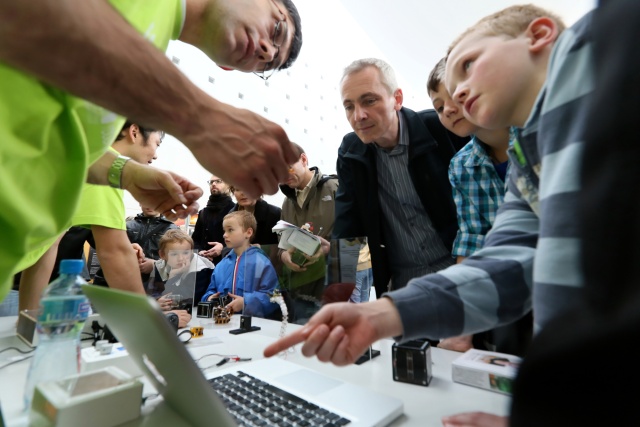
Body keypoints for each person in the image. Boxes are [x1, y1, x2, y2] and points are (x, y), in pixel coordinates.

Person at [264, 9, 593, 419]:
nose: (460, 99)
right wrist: (367, 308)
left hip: (453, 264)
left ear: (396, 99)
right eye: (348, 105)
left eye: (468, 67)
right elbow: (511, 258)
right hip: (424, 280)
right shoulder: (530, 158)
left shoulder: (603, 60)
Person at [0, 0, 303, 302]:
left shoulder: (150, 47)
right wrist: (199, 116)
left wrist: (126, 173)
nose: (266, 51)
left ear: (226, 66)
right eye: (276, 29)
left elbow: (68, 143)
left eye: (268, 65)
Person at [333, 58, 468, 297]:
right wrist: (338, 297)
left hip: (462, 273)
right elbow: (347, 228)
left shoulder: (441, 127)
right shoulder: (350, 152)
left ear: (397, 99)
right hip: (405, 288)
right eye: (349, 106)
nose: (359, 115)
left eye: (369, 100)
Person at [427, 58, 532, 356]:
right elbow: (472, 241)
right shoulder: (461, 166)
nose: (447, 109)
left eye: (454, 96)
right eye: (438, 106)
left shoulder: (534, 136)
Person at [279, 143, 337, 323]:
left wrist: (331, 249)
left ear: (304, 160)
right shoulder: (287, 203)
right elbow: (283, 244)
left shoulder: (335, 187)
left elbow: (360, 241)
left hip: (336, 286)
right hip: (302, 288)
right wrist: (284, 256)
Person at [201, 211, 279, 318]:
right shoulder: (221, 265)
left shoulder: (261, 262)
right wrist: (209, 298)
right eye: (224, 230)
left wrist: (246, 302)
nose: (224, 235)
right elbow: (211, 290)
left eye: (230, 230)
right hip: (223, 322)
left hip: (252, 325)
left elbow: (273, 295)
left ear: (248, 233)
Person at [149, 229, 214, 310]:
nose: (181, 258)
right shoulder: (160, 266)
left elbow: (187, 300)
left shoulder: (201, 269)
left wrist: (173, 277)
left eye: (186, 253)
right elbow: (153, 292)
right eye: (174, 254)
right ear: (162, 255)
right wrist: (157, 301)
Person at [127, 205, 179, 283]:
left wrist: (156, 265)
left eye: (153, 202)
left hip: (158, 284)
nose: (149, 205)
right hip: (129, 278)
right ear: (140, 203)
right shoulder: (128, 226)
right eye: (145, 201)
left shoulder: (172, 229)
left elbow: (180, 260)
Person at [192, 176, 236, 264]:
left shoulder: (236, 211)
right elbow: (195, 240)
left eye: (219, 181)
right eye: (211, 182)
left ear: (229, 185)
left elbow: (242, 240)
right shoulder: (203, 212)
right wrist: (200, 252)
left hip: (228, 265)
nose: (214, 184)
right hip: (203, 266)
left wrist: (223, 248)